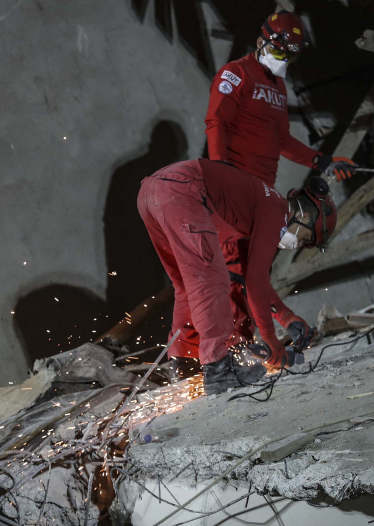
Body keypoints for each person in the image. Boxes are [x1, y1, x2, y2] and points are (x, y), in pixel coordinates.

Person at [170, 11, 356, 372]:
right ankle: (204, 357)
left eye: (291, 56)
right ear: (262, 42)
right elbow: (216, 121)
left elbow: (281, 139)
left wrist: (322, 161)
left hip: (259, 196)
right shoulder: (235, 74)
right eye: (280, 52)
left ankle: (230, 350)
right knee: (233, 271)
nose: (284, 61)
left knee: (243, 272)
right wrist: (222, 173)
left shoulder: (277, 88)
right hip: (233, 191)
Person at [137, 159, 337, 394]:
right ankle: (219, 369)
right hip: (183, 189)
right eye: (305, 239)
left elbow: (246, 275)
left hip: (151, 193)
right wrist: (271, 340)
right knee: (211, 280)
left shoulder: (256, 206)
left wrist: (286, 317)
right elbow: (256, 280)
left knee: (187, 283)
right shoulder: (276, 210)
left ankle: (185, 364)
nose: (299, 244)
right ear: (305, 218)